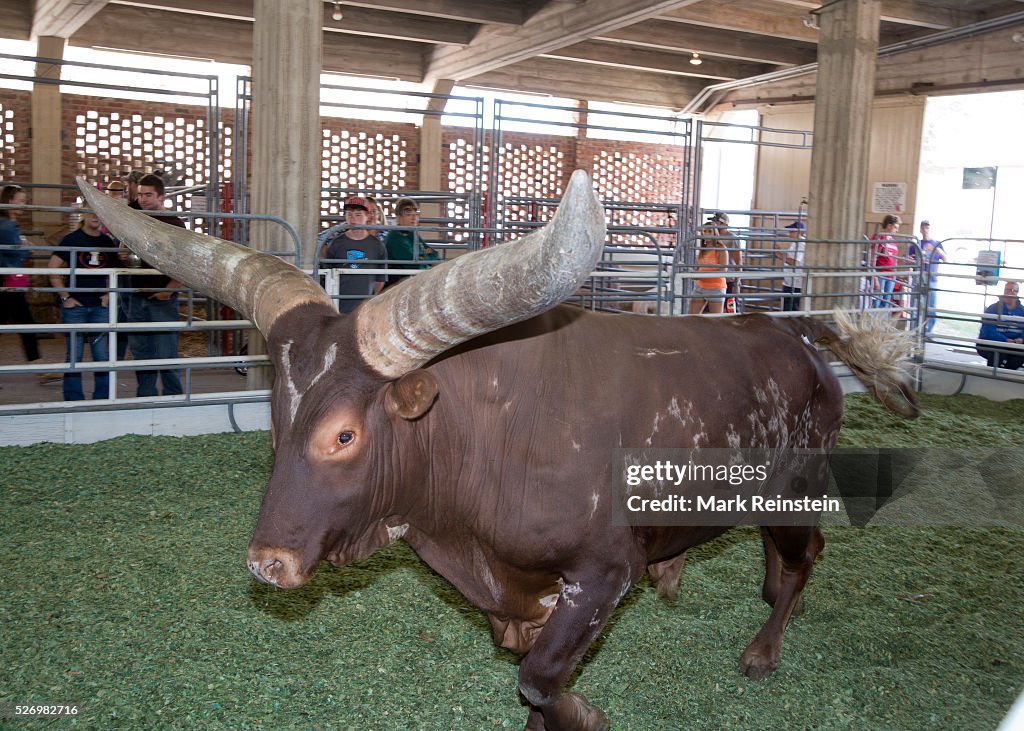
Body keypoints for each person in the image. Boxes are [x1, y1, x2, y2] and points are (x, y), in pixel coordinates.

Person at [121, 173, 186, 397]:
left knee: (166, 350)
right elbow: (122, 250)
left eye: (148, 195)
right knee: (140, 351)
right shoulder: (135, 219)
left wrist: (169, 289)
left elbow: (185, 260)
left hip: (162, 298)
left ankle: (173, 397)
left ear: (162, 197)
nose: (143, 199)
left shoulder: (174, 224)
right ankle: (145, 397)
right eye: (140, 194)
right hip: (137, 295)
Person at [48, 210, 116, 400]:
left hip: (99, 305)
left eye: (98, 213)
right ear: (83, 215)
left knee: (101, 355)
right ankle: (73, 398)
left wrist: (108, 294)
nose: (95, 216)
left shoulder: (106, 242)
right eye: (90, 212)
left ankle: (103, 397)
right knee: (74, 355)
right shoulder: (71, 239)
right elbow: (52, 266)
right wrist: (64, 296)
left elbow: (114, 270)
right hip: (75, 306)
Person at [319, 195, 387, 314]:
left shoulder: (377, 246)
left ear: (367, 216)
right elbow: (328, 277)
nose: (353, 219)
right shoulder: (336, 244)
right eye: (349, 214)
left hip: (364, 309)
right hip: (339, 307)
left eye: (358, 214)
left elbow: (380, 280)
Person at [0, 184, 40, 363]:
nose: (24, 205)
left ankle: (38, 367)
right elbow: (15, 251)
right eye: (21, 201)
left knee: (24, 323)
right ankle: (38, 368)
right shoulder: (8, 225)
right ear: (9, 201)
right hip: (10, 281)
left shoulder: (6, 223)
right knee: (26, 324)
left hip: (9, 279)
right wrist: (27, 248)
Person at [383, 197, 439, 289]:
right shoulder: (394, 237)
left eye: (416, 214)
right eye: (409, 214)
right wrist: (424, 254)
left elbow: (435, 255)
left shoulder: (413, 233)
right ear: (398, 218)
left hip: (409, 281)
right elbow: (412, 263)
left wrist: (422, 257)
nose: (414, 218)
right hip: (396, 285)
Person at [908, 220, 947, 333]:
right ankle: (913, 329)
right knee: (914, 304)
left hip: (932, 277)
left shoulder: (937, 244)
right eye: (923, 228)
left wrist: (940, 253)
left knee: (931, 307)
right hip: (918, 276)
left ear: (930, 229)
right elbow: (908, 260)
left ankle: (928, 331)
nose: (925, 230)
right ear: (920, 229)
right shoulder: (916, 244)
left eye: (927, 228)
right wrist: (911, 260)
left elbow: (945, 259)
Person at [977, 281, 1024, 370]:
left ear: (1017, 293)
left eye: (1014, 290)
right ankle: (992, 378)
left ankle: (1007, 376)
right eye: (1008, 290)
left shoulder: (1022, 311)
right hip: (995, 343)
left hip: (1015, 345)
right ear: (1004, 291)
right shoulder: (993, 309)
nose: (1010, 293)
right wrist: (1005, 340)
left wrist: (1021, 339)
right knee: (997, 354)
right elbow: (988, 330)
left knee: (1018, 357)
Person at [688, 218, 729, 315]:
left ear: (715, 233)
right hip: (700, 286)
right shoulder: (703, 249)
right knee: (691, 316)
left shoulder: (721, 249)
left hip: (715, 288)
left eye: (709, 231)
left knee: (716, 319)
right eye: (704, 231)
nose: (707, 234)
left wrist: (703, 275)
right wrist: (693, 272)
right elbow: (698, 267)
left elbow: (723, 270)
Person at [871, 214, 901, 308]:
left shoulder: (893, 241)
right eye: (895, 227)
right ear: (889, 226)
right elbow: (872, 257)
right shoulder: (879, 238)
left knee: (886, 302)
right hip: (880, 273)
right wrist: (874, 277)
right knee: (877, 301)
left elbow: (893, 259)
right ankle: (873, 322)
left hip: (890, 276)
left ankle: (881, 322)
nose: (897, 230)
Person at [776, 220, 806, 312]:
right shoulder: (795, 243)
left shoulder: (801, 245)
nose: (789, 233)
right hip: (790, 282)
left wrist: (780, 255)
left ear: (799, 232)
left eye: (792, 231)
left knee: (792, 309)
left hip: (795, 284)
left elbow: (794, 262)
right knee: (788, 308)